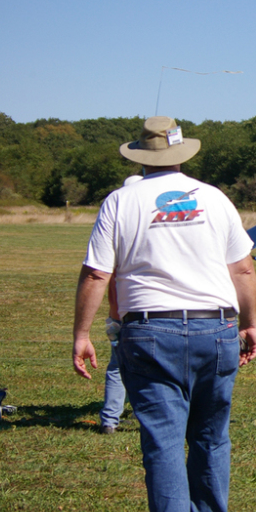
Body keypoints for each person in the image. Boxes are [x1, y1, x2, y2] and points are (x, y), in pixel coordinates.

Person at [72, 116, 256, 512]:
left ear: (141, 154)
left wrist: (81, 333)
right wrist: (250, 323)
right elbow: (244, 270)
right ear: (182, 154)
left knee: (163, 439)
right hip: (216, 329)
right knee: (212, 435)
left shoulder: (120, 200)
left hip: (149, 332)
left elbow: (99, 272)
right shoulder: (214, 198)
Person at [99, 174, 143, 435]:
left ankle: (109, 420)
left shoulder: (114, 230)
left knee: (117, 367)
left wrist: (114, 316)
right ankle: (145, 414)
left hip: (118, 314)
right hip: (136, 314)